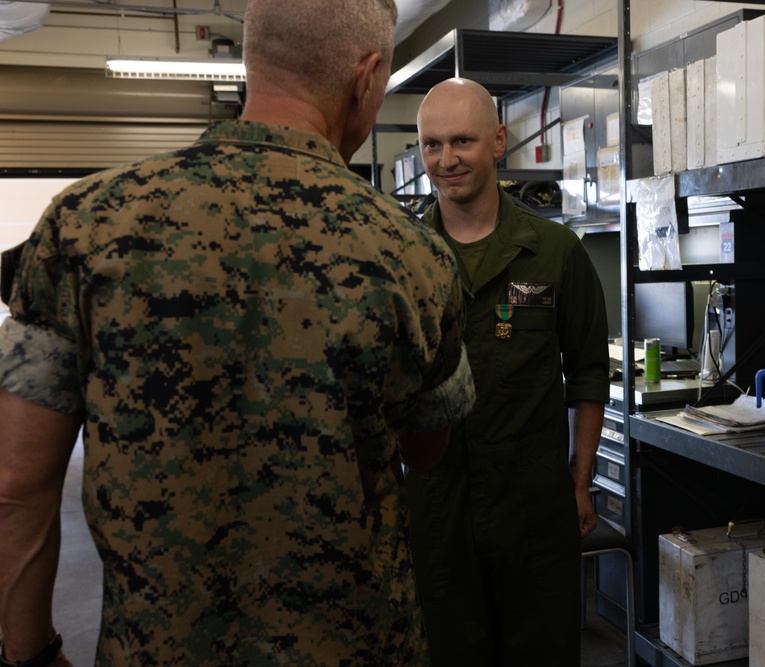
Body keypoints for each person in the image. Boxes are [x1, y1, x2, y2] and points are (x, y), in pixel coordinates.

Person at [0, 0, 475, 665]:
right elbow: (427, 447)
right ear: (366, 80)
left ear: (254, 60)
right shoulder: (414, 255)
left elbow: (17, 482)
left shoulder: (83, 226)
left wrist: (28, 653)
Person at [405, 77, 610, 667]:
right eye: (431, 145)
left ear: (498, 142)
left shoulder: (554, 253)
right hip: (436, 509)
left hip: (534, 510)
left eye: (462, 141)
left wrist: (579, 479)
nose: (446, 160)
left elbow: (588, 374)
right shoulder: (403, 256)